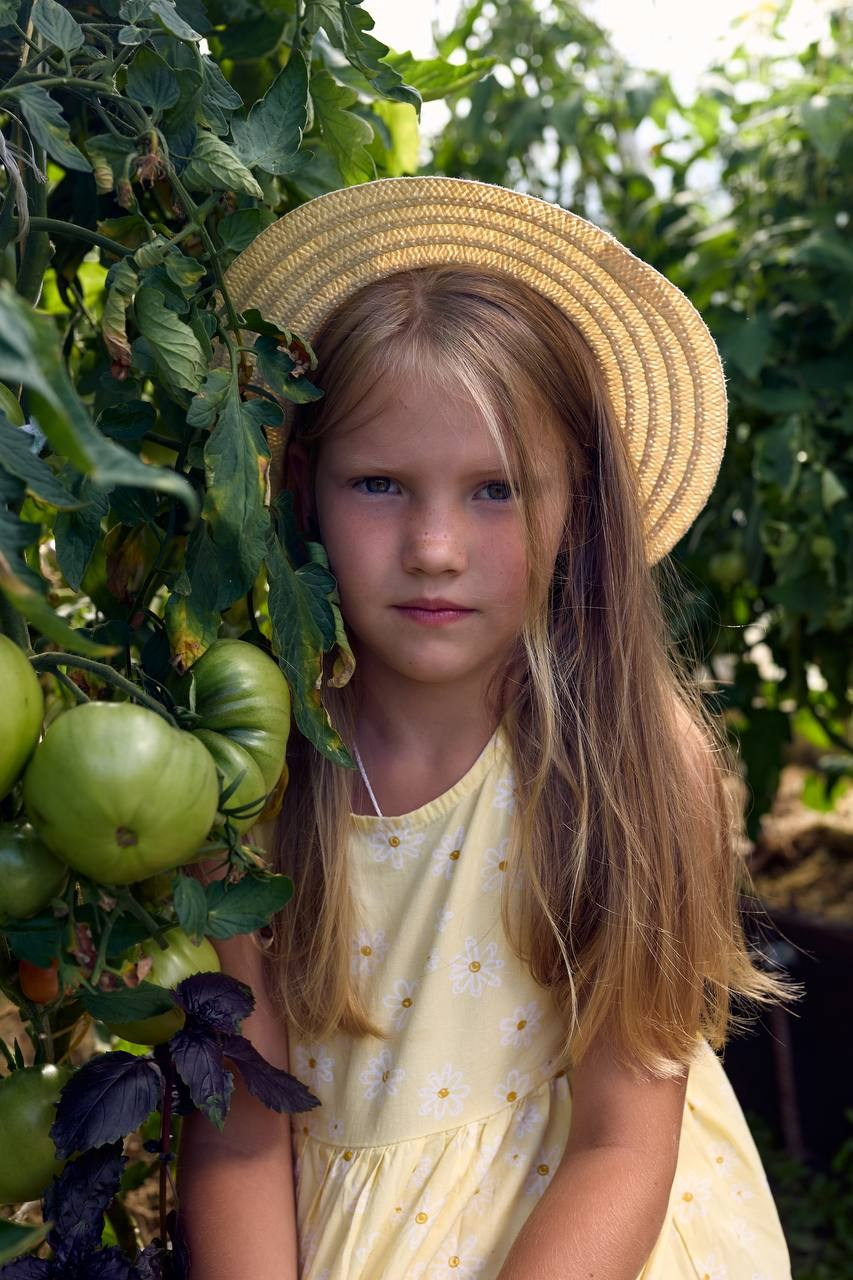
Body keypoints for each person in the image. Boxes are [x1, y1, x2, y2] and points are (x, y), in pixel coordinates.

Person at [178, 177, 793, 1280]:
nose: (434, 546)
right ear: (302, 487)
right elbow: (241, 1131)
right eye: (379, 484)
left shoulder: (630, 764)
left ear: (576, 501)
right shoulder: (254, 779)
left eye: (496, 490)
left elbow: (622, 1142)